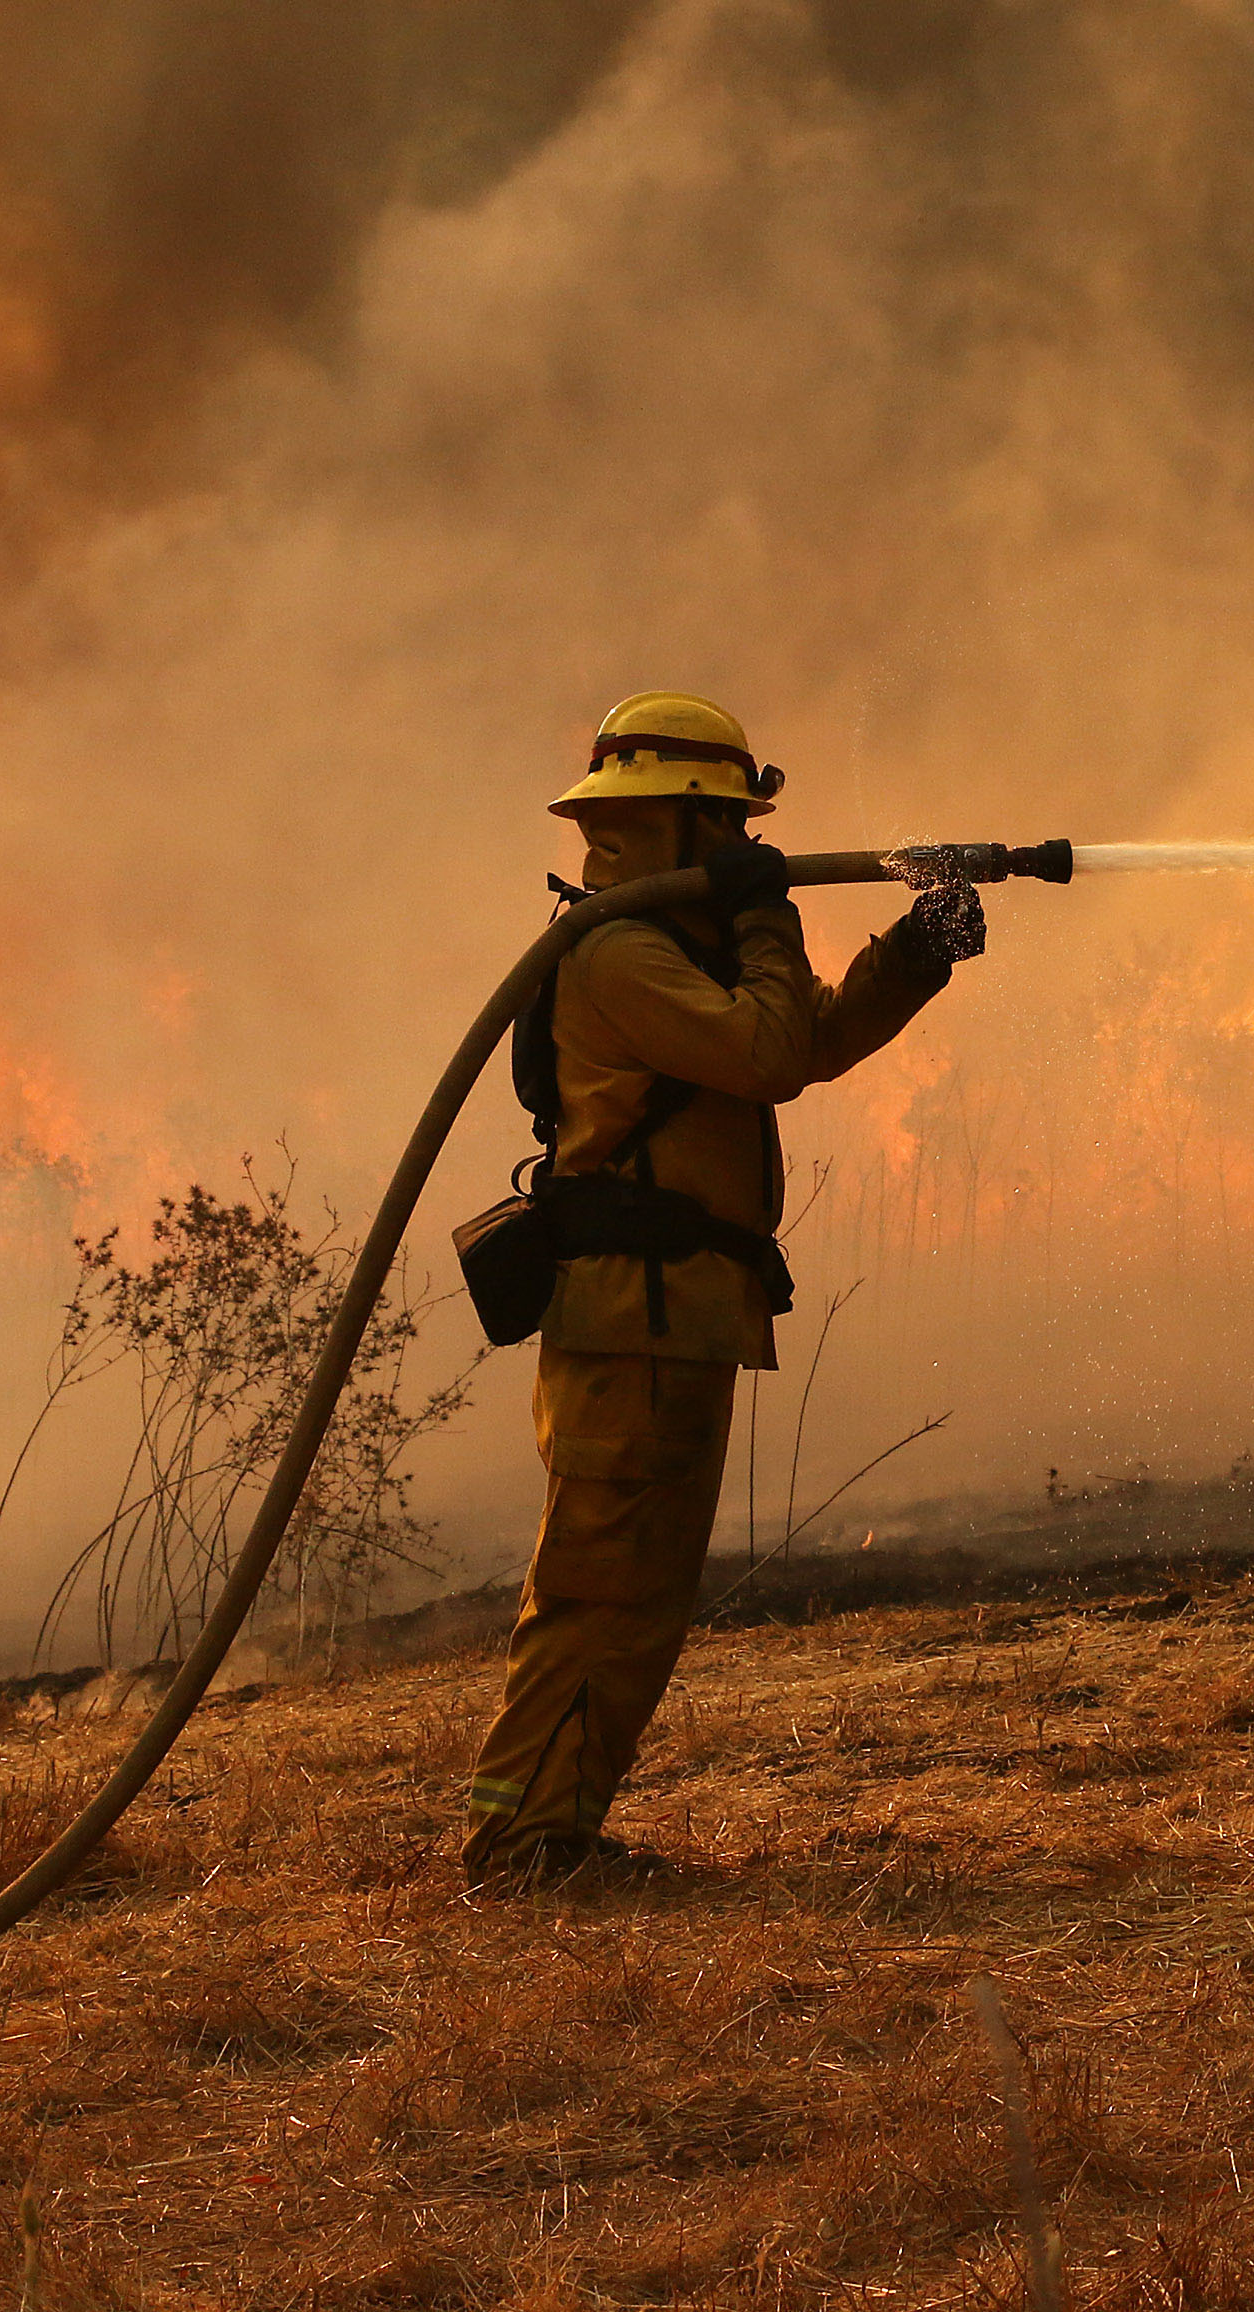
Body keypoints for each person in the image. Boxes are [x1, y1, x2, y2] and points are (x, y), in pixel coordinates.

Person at [460, 689, 986, 1885]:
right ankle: (518, 1841)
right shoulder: (621, 949)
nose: (755, 846)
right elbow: (765, 1054)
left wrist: (917, 945)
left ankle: (548, 1831)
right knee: (600, 1591)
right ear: (688, 827)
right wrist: (766, 918)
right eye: (738, 829)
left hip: (675, 1316)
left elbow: (801, 1042)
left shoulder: (685, 945)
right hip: (631, 1322)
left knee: (637, 1602)